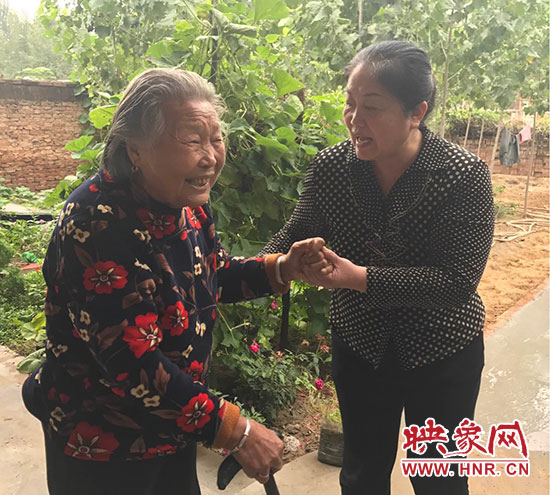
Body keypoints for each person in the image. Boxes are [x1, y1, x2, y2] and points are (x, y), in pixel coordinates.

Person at [21, 68, 323, 495]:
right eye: (192, 140)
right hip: (103, 444)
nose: (210, 157)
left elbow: (209, 273)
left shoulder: (185, 203)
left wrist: (282, 268)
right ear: (136, 149)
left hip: (170, 426)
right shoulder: (97, 224)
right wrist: (235, 430)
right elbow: (132, 363)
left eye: (216, 138)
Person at [261, 41, 494, 495]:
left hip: (442, 348)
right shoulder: (331, 168)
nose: (354, 119)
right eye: (350, 103)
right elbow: (295, 233)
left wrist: (357, 277)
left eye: (371, 107)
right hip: (361, 344)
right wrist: (269, 266)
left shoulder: (461, 175)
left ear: (416, 112)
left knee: (439, 477)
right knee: (362, 473)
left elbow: (456, 283)